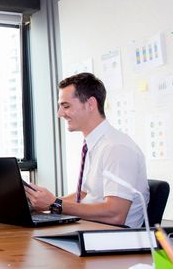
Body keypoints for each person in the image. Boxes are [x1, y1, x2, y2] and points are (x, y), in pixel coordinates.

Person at [25, 72, 149, 228]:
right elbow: (84, 195)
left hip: (111, 240)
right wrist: (44, 203)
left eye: (66, 106)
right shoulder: (94, 145)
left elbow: (116, 214)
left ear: (90, 104)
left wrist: (54, 204)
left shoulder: (117, 147)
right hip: (89, 230)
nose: (59, 114)